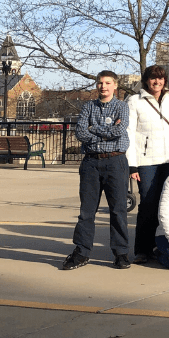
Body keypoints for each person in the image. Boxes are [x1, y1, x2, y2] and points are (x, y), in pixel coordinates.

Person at [62, 70, 132, 270]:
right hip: (91, 163)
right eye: (100, 83)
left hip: (115, 162)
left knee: (118, 210)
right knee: (86, 211)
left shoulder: (122, 107)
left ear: (115, 86)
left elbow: (120, 131)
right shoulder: (88, 107)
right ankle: (82, 252)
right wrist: (102, 132)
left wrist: (94, 128)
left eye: (108, 83)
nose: (103, 86)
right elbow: (81, 133)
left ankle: (120, 253)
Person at [126, 65, 169, 264]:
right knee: (148, 205)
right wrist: (132, 165)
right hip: (147, 162)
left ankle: (164, 245)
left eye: (161, 79)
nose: (157, 82)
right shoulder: (134, 101)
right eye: (153, 79)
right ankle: (143, 249)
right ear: (146, 80)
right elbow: (128, 133)